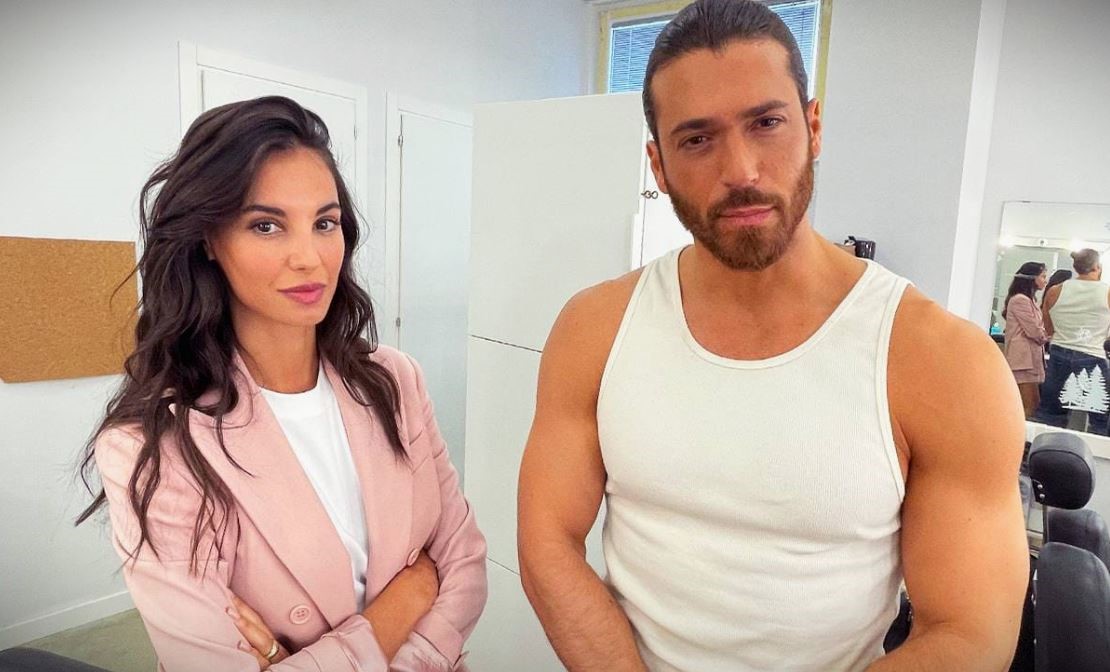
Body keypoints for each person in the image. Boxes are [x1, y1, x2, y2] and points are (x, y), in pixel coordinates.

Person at [516, 1, 1028, 670]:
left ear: (813, 128)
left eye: (766, 123)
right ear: (658, 165)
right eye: (697, 139)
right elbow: (547, 541)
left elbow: (970, 632)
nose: (741, 170)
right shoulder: (595, 329)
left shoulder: (941, 361)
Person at [76, 96, 486, 671]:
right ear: (209, 240)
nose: (309, 258)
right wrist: (408, 600)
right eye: (266, 225)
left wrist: (286, 658)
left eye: (324, 223)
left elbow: (465, 565)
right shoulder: (153, 444)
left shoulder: (394, 379)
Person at [1036, 248, 1110, 432]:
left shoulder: (1055, 291)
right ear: (1097, 266)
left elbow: (1048, 329)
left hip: (1059, 356)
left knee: (1050, 416)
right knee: (1100, 420)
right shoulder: (1107, 292)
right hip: (1092, 356)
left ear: (1076, 266)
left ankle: (1047, 448)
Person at [1003, 262, 1049, 418]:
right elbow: (1034, 330)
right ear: (1032, 278)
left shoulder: (1030, 300)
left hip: (1030, 360)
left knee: (1031, 404)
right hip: (1023, 361)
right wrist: (1047, 337)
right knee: (1029, 405)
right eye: (1043, 276)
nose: (1045, 280)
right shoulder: (1020, 300)